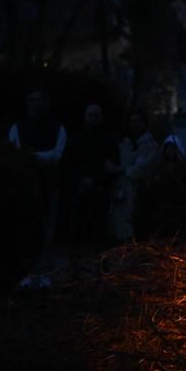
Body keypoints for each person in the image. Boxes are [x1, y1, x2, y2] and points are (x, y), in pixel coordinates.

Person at [8, 87, 67, 288]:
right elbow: (14, 153)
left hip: (49, 185)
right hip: (25, 185)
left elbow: (58, 155)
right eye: (31, 100)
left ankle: (44, 273)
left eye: (39, 100)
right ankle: (26, 272)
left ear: (46, 103)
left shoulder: (57, 127)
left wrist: (32, 156)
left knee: (47, 229)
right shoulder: (18, 127)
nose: (35, 104)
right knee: (26, 227)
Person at [63, 102, 122, 259]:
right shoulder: (76, 138)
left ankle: (99, 260)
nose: (93, 118)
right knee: (76, 228)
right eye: (90, 115)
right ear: (85, 117)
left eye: (96, 115)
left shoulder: (109, 139)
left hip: (100, 190)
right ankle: (75, 259)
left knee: (99, 230)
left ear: (101, 118)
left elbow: (113, 165)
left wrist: (96, 181)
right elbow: (67, 163)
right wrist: (80, 180)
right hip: (79, 189)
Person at [109, 108, 159, 243]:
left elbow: (144, 169)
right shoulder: (123, 143)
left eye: (138, 121)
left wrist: (122, 170)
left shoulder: (151, 145)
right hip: (122, 193)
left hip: (140, 193)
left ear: (144, 123)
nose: (135, 124)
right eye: (132, 121)